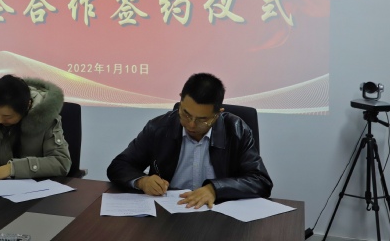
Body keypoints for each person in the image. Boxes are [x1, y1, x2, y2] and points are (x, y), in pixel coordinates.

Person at [107, 73, 272, 209]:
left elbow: (261, 181)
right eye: (186, 114)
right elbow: (119, 166)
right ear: (180, 100)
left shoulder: (237, 130)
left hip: (217, 212)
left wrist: (215, 189)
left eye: (202, 119)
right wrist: (142, 181)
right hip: (169, 212)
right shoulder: (159, 128)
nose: (191, 124)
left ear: (218, 113)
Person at [0, 74, 71, 180]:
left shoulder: (45, 119)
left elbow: (61, 162)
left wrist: (12, 168)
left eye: (8, 116)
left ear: (27, 106)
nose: (0, 120)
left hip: (32, 189)